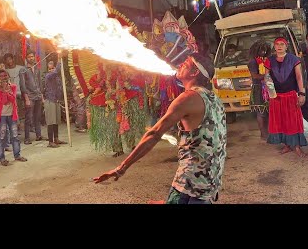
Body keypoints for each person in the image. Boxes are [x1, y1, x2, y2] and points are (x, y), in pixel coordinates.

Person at [94, 54, 227, 204]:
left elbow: (154, 134)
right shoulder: (214, 98)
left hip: (191, 182)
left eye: (186, 63)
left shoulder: (187, 98)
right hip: (210, 182)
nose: (180, 64)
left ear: (194, 72)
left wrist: (121, 167)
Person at [265, 37, 307, 157]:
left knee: (294, 121)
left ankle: (297, 146)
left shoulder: (294, 60)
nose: (279, 46)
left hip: (290, 95)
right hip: (276, 97)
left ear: (286, 46)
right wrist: (270, 94)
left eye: (282, 44)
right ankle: (287, 145)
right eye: (277, 44)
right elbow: (267, 78)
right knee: (281, 121)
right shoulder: (270, 61)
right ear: (274, 46)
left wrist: (301, 93)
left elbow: (299, 77)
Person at [0, 70, 27, 165]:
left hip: (12, 114)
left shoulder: (12, 86)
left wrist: (4, 90)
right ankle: (1, 158)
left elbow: (12, 99)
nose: (4, 77)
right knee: (1, 137)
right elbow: (3, 101)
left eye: (5, 75)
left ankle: (17, 155)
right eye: (1, 76)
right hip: (2, 116)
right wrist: (1, 88)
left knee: (15, 136)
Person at [247, 40, 271, 140]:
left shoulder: (266, 60)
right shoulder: (253, 62)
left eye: (265, 50)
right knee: (261, 112)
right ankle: (263, 133)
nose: (264, 52)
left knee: (268, 111)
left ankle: (268, 132)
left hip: (267, 88)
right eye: (262, 50)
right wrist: (266, 76)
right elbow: (254, 76)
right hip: (258, 89)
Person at [19, 50, 45, 144]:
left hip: (38, 95)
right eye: (29, 56)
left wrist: (42, 96)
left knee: (38, 117)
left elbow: (39, 83)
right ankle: (27, 138)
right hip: (29, 96)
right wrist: (26, 98)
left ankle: (38, 135)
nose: (31, 58)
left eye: (32, 56)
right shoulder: (23, 69)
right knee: (28, 118)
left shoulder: (37, 68)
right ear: (26, 58)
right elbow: (22, 85)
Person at [43, 59, 67, 148]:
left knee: (56, 120)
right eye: (50, 63)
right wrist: (59, 60)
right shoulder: (48, 75)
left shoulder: (56, 76)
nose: (51, 65)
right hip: (50, 100)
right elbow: (56, 71)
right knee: (51, 121)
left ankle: (56, 138)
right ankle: (50, 141)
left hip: (56, 100)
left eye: (53, 64)